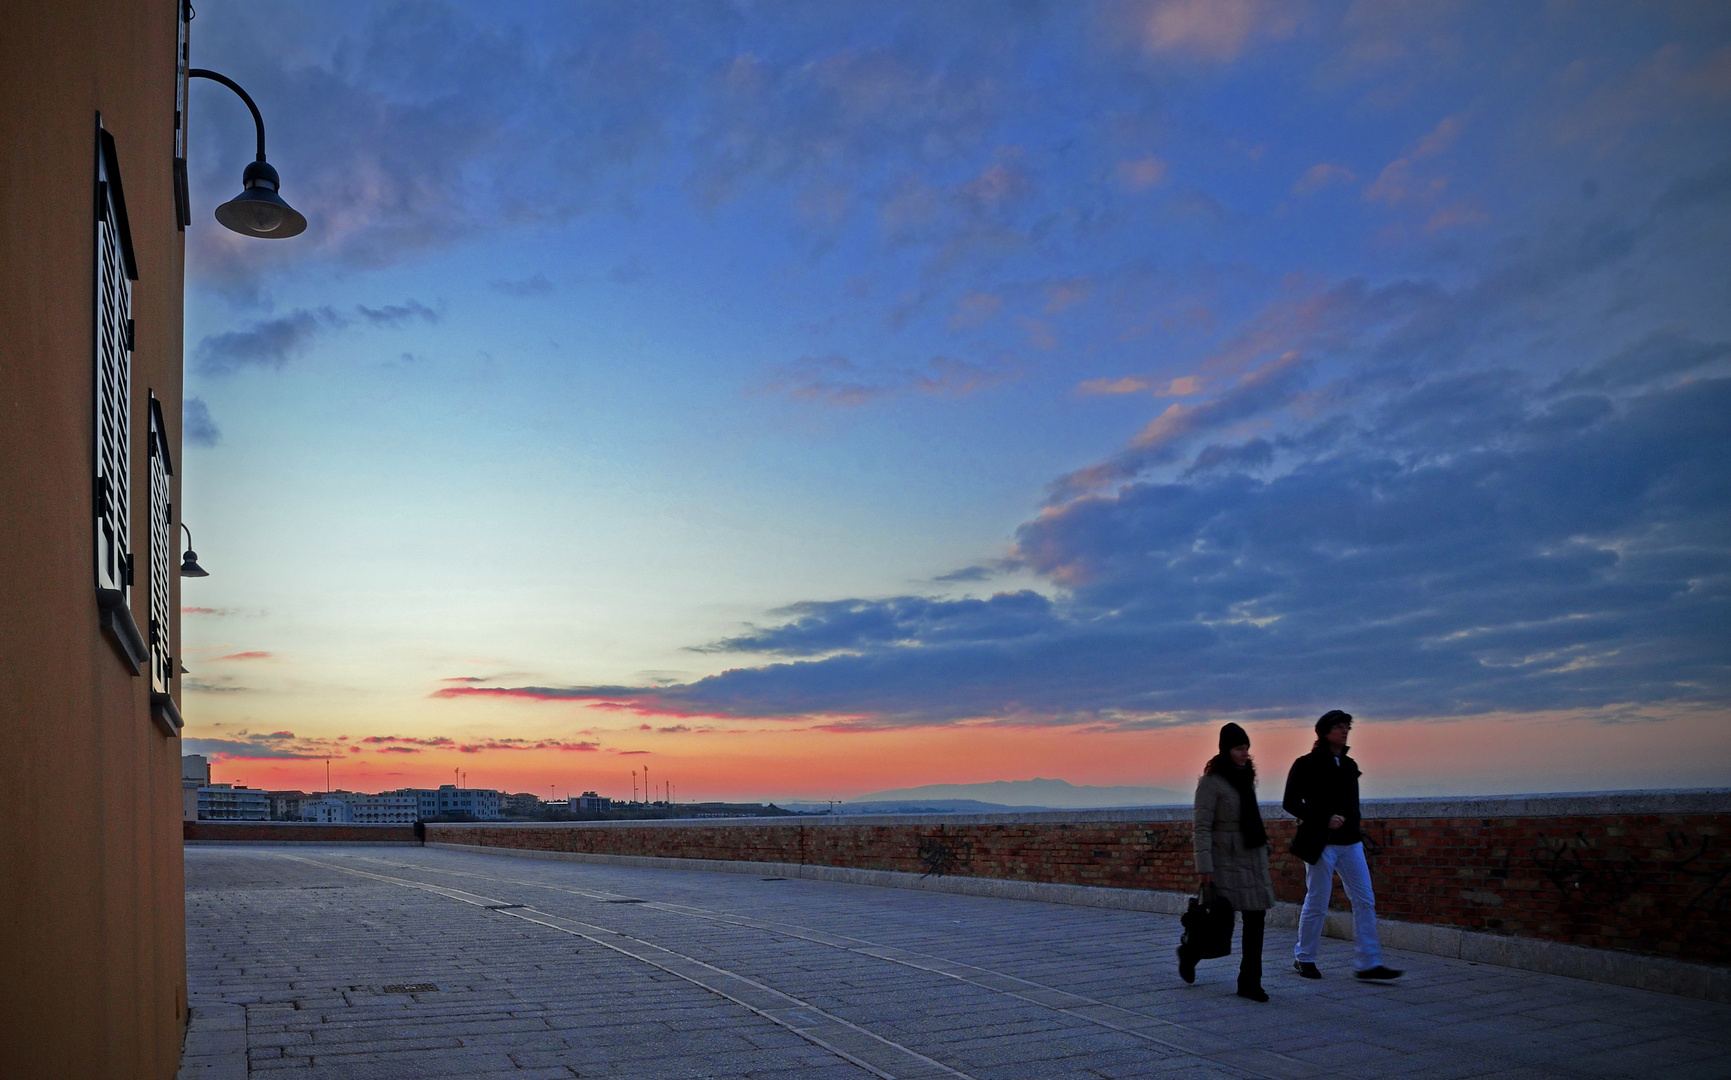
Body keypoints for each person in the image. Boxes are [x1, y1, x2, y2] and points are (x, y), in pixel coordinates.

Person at [1282, 709, 1403, 981]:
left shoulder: (1349, 766)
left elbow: (1353, 806)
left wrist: (1354, 828)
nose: (1344, 731)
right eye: (1338, 727)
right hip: (1321, 843)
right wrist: (1323, 819)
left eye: (1347, 726)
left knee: (1365, 900)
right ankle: (1304, 958)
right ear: (1325, 731)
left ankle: (1369, 963)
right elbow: (1290, 802)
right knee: (1317, 900)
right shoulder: (1306, 763)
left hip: (1351, 842)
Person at [1179, 722, 1274, 1001]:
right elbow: (1201, 827)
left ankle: (1250, 982)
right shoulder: (1211, 782)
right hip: (1225, 859)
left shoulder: (1246, 777)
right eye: (1238, 748)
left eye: (1246, 748)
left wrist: (1264, 844)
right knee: (1218, 921)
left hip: (1251, 856)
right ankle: (1190, 953)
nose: (1244, 754)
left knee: (1256, 918)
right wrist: (1204, 867)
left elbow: (1251, 817)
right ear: (1225, 750)